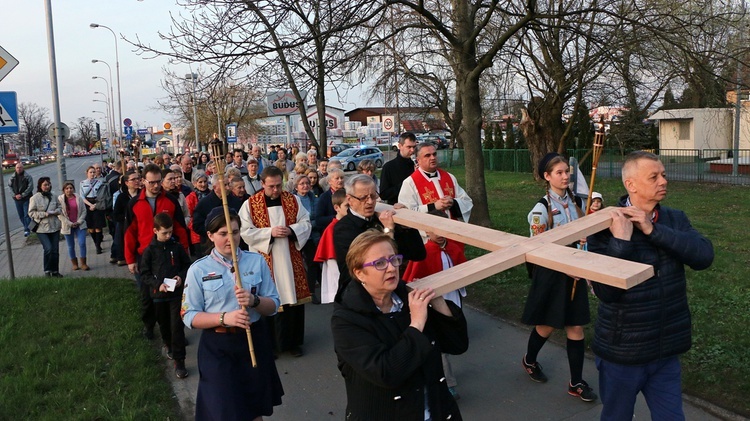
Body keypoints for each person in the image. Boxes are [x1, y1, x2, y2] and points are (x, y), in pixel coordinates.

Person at [587, 151, 714, 420]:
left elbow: (704, 257)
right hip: (622, 354)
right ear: (631, 185)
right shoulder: (602, 227)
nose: (663, 181)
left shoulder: (674, 219)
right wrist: (621, 241)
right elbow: (606, 292)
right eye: (654, 177)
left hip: (665, 351)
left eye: (664, 175)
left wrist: (652, 230)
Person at [331, 230, 468, 420]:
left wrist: (439, 303)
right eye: (379, 263)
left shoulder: (409, 297)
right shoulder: (347, 319)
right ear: (359, 272)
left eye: (394, 259)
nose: (391, 268)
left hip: (437, 411)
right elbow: (387, 373)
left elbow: (458, 345)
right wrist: (417, 323)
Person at [182, 208, 284, 420]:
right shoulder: (198, 270)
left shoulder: (256, 261)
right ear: (210, 236)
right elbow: (189, 315)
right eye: (223, 233)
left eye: (235, 232)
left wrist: (254, 301)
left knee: (254, 407)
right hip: (218, 347)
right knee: (225, 409)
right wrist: (224, 318)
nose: (231, 238)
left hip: (253, 342)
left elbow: (274, 305)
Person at [521, 153, 597, 402]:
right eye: (559, 173)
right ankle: (529, 360)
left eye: (567, 172)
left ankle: (576, 382)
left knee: (575, 326)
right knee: (547, 325)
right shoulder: (540, 210)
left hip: (575, 272)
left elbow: (584, 228)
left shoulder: (576, 202)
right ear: (547, 176)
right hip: (553, 274)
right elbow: (536, 249)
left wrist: (586, 235)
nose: (565, 177)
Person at [239, 166, 312, 357]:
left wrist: (292, 230)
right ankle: (269, 345)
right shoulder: (250, 204)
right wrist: (269, 233)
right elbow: (244, 231)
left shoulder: (293, 200)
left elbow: (306, 222)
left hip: (289, 259)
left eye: (279, 185)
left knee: (291, 300)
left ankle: (292, 343)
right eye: (271, 186)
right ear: (262, 184)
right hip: (266, 259)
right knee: (268, 300)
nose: (276, 190)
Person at [402, 210, 468, 400]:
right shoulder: (424, 252)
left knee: (452, 337)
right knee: (438, 345)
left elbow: (462, 270)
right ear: (426, 231)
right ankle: (447, 383)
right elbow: (413, 279)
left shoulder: (454, 248)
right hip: (432, 304)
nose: (439, 234)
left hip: (452, 301)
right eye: (434, 230)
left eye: (443, 229)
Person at [333, 174, 426, 302]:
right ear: (350, 199)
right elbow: (376, 263)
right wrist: (389, 230)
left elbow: (418, 254)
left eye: (373, 196)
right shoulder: (343, 229)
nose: (370, 202)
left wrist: (406, 226)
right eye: (363, 198)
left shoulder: (382, 219)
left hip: (390, 294)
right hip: (359, 297)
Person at [125, 163, 190, 340]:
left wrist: (184, 252)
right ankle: (149, 325)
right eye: (151, 182)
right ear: (143, 181)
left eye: (158, 182)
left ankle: (176, 333)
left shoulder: (169, 200)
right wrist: (130, 259)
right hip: (145, 257)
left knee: (172, 296)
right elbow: (129, 233)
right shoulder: (134, 204)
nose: (155, 186)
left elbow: (180, 229)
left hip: (168, 256)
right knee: (147, 297)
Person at [140, 213, 191, 379]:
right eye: (164, 233)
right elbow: (145, 273)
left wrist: (181, 277)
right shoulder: (149, 251)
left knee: (177, 327)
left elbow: (187, 265)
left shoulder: (176, 247)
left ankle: (179, 360)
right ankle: (167, 344)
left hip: (176, 294)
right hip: (159, 296)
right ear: (155, 231)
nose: (168, 236)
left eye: (170, 232)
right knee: (164, 325)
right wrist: (157, 284)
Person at [398, 142, 472, 223]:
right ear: (418, 160)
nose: (433, 158)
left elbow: (467, 202)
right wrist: (433, 206)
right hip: (427, 233)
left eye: (434, 154)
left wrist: (453, 203)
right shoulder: (410, 183)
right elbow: (407, 212)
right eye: (427, 155)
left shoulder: (449, 177)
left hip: (452, 228)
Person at [313, 189, 348, 304]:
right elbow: (332, 261)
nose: (351, 209)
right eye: (347, 206)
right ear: (337, 208)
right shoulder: (331, 230)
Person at [28, 177, 63, 277]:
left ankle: (55, 271)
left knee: (55, 250)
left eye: (48, 185)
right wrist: (44, 214)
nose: (47, 187)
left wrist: (56, 211)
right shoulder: (35, 198)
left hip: (54, 226)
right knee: (48, 248)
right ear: (40, 186)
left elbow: (60, 208)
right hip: (42, 228)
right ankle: (47, 270)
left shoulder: (54, 196)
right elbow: (31, 213)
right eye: (45, 185)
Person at [58, 181, 89, 271]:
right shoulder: (60, 199)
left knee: (82, 243)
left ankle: (83, 263)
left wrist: (79, 221)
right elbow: (59, 214)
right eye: (67, 188)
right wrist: (69, 223)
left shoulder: (78, 198)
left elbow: (84, 211)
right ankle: (74, 264)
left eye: (71, 188)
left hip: (80, 225)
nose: (69, 190)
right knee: (70, 246)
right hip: (67, 226)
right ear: (64, 190)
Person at [112, 170, 142, 266]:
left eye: (138, 178)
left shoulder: (143, 194)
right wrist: (126, 218)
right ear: (126, 183)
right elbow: (116, 215)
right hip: (126, 226)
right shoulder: (122, 197)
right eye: (133, 179)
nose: (137, 181)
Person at [380, 132, 417, 205]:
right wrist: (407, 184)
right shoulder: (389, 167)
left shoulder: (417, 165)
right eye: (409, 147)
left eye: (414, 147)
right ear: (400, 146)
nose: (412, 150)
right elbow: (384, 194)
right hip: (398, 209)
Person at [80, 166, 107, 254]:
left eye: (93, 172)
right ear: (87, 173)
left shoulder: (99, 182)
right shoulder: (82, 183)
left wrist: (95, 205)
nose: (92, 174)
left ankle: (98, 246)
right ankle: (95, 242)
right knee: (91, 227)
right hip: (88, 204)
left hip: (97, 204)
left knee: (98, 227)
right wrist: (90, 205)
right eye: (90, 172)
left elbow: (102, 195)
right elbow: (82, 196)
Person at [186, 170, 211, 253]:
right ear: (194, 183)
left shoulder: (211, 194)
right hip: (197, 234)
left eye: (205, 181)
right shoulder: (190, 198)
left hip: (212, 230)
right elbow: (189, 216)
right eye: (200, 182)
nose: (203, 184)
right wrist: (198, 227)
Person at [314, 168, 345, 233]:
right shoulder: (324, 197)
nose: (340, 180)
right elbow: (319, 220)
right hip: (332, 231)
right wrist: (336, 217)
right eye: (337, 178)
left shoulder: (348, 194)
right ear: (329, 181)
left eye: (342, 178)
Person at [9, 162, 34, 236]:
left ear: (23, 168)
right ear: (15, 168)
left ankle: (28, 230)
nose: (19, 169)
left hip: (26, 198)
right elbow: (10, 187)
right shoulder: (12, 177)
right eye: (17, 167)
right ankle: (28, 227)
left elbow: (30, 187)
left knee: (26, 215)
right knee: (21, 215)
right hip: (17, 199)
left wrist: (23, 195)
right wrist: (14, 195)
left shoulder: (27, 176)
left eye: (20, 167)